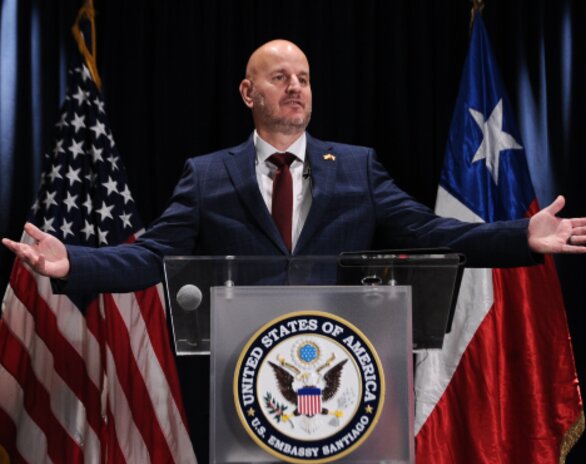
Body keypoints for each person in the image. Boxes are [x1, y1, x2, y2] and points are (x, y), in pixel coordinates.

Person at [2, 39, 586, 291]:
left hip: (345, 363)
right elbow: (153, 256)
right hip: (243, 372)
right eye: (280, 77)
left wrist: (521, 236)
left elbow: (433, 233)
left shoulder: (357, 168)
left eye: (304, 78)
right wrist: (73, 262)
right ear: (247, 92)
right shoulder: (207, 176)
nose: (295, 87)